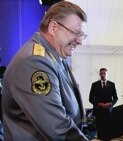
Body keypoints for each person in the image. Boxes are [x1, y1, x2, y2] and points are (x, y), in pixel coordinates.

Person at [2, 1, 89, 140]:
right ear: (53, 27)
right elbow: (56, 128)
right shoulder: (34, 63)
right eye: (76, 33)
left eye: (82, 35)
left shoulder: (54, 56)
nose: (80, 41)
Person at [89, 68, 118, 140]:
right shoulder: (94, 85)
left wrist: (110, 104)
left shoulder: (111, 84)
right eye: (101, 73)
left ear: (107, 74)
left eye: (104, 73)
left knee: (108, 129)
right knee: (100, 130)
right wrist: (98, 104)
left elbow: (115, 98)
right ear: (99, 74)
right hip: (98, 111)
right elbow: (91, 98)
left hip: (109, 111)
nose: (103, 75)